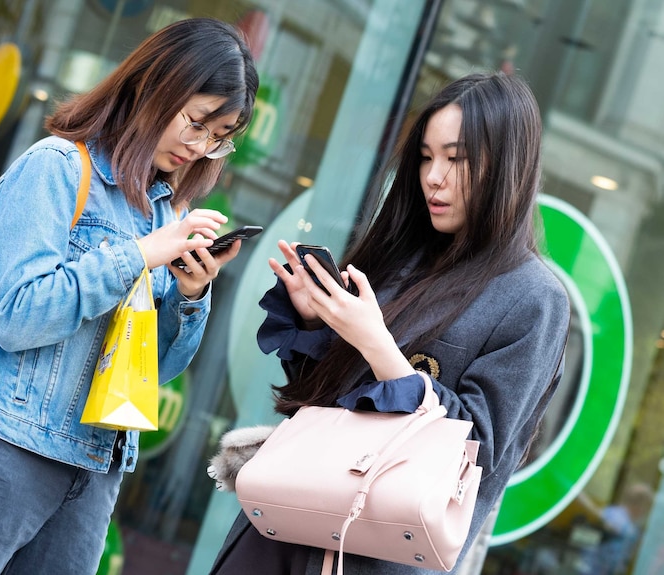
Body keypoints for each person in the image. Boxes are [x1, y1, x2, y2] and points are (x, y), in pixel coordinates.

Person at [0, 17, 258, 574]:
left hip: (92, 469)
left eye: (219, 137)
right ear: (156, 85)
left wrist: (190, 293)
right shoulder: (55, 168)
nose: (201, 146)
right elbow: (17, 317)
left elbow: (153, 369)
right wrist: (139, 255)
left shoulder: (163, 211)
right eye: (197, 121)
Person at [210, 71, 571, 574]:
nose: (434, 177)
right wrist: (318, 324)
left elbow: (479, 454)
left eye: (456, 158)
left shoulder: (533, 298)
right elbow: (320, 404)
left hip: (375, 552)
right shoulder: (399, 255)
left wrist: (377, 344)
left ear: (506, 164)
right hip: (285, 520)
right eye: (426, 157)